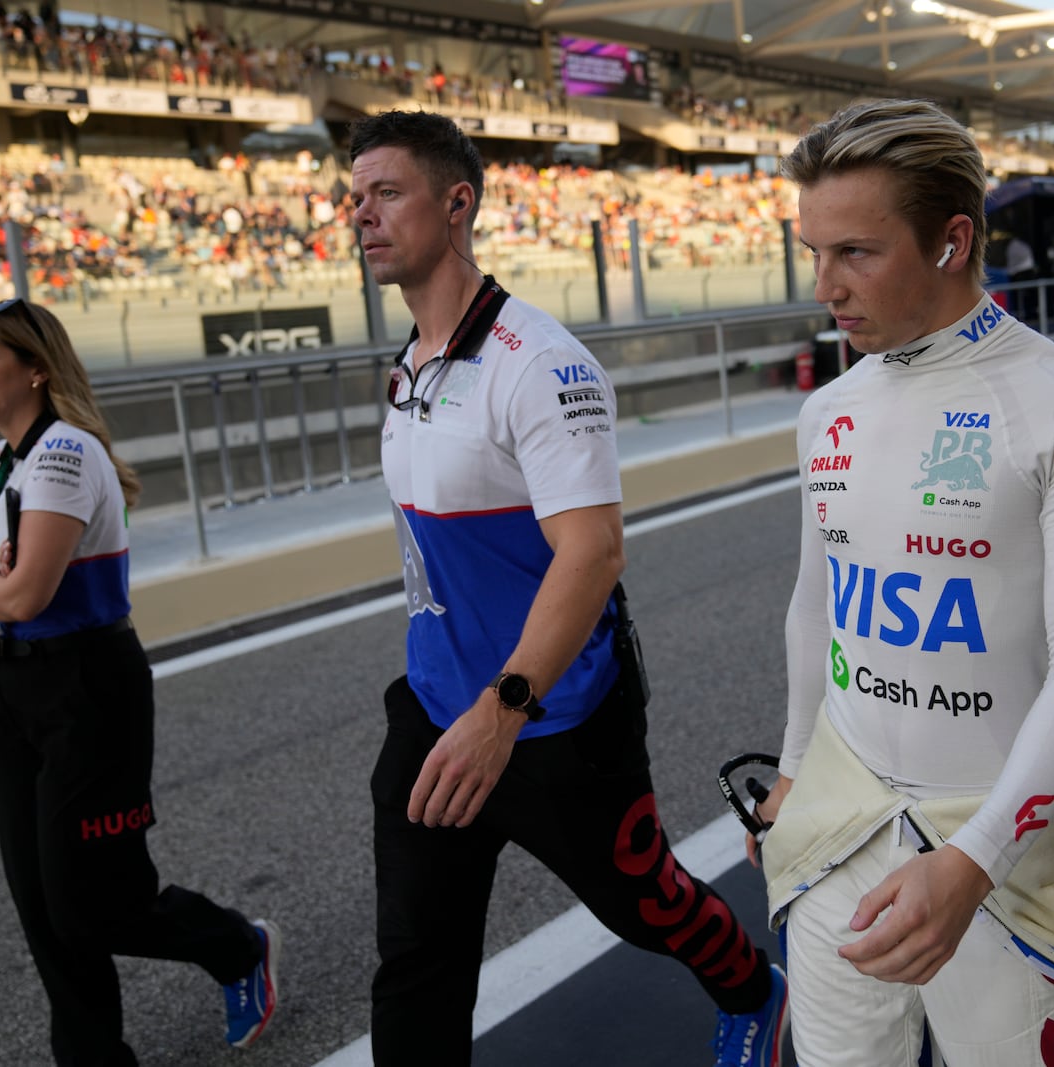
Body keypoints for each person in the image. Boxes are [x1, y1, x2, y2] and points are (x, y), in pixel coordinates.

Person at [752, 99, 1054, 1066]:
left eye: (856, 253)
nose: (824, 285)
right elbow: (815, 601)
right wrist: (790, 774)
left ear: (954, 241)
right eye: (812, 250)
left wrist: (971, 862)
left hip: (997, 849)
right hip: (836, 822)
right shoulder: (827, 410)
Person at [351, 109, 788, 1067]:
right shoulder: (408, 371)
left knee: (648, 904)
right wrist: (457, 706)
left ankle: (754, 988)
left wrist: (502, 710)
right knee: (416, 960)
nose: (362, 214)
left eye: (386, 192)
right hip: (434, 713)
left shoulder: (541, 362)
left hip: (550, 720)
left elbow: (591, 553)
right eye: (355, 196)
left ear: (457, 203)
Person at [0, 297, 278, 1065]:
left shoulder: (67, 453)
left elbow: (11, 591)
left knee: (93, 907)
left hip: (91, 691)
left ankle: (238, 945)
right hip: (18, 691)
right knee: (40, 907)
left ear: (35, 368)